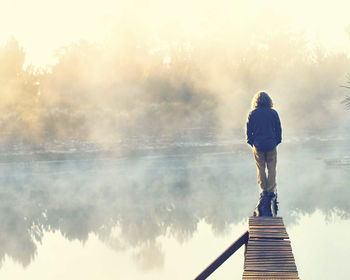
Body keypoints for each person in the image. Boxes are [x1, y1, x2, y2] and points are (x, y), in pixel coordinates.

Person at [246, 91, 282, 216]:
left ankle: (264, 190)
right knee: (272, 168)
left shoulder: (252, 113)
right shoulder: (273, 113)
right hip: (271, 144)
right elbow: (278, 129)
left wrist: (252, 142)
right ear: (269, 101)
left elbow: (248, 131)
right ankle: (271, 191)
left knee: (260, 168)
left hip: (258, 145)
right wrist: (277, 141)